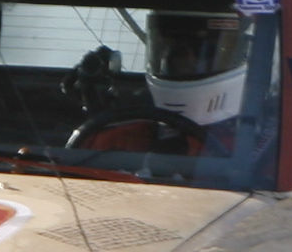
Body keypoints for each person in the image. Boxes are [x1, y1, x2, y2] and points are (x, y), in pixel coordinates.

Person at [74, 11, 250, 156]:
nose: (174, 59)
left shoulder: (254, 151)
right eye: (170, 48)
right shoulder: (116, 140)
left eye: (200, 50)